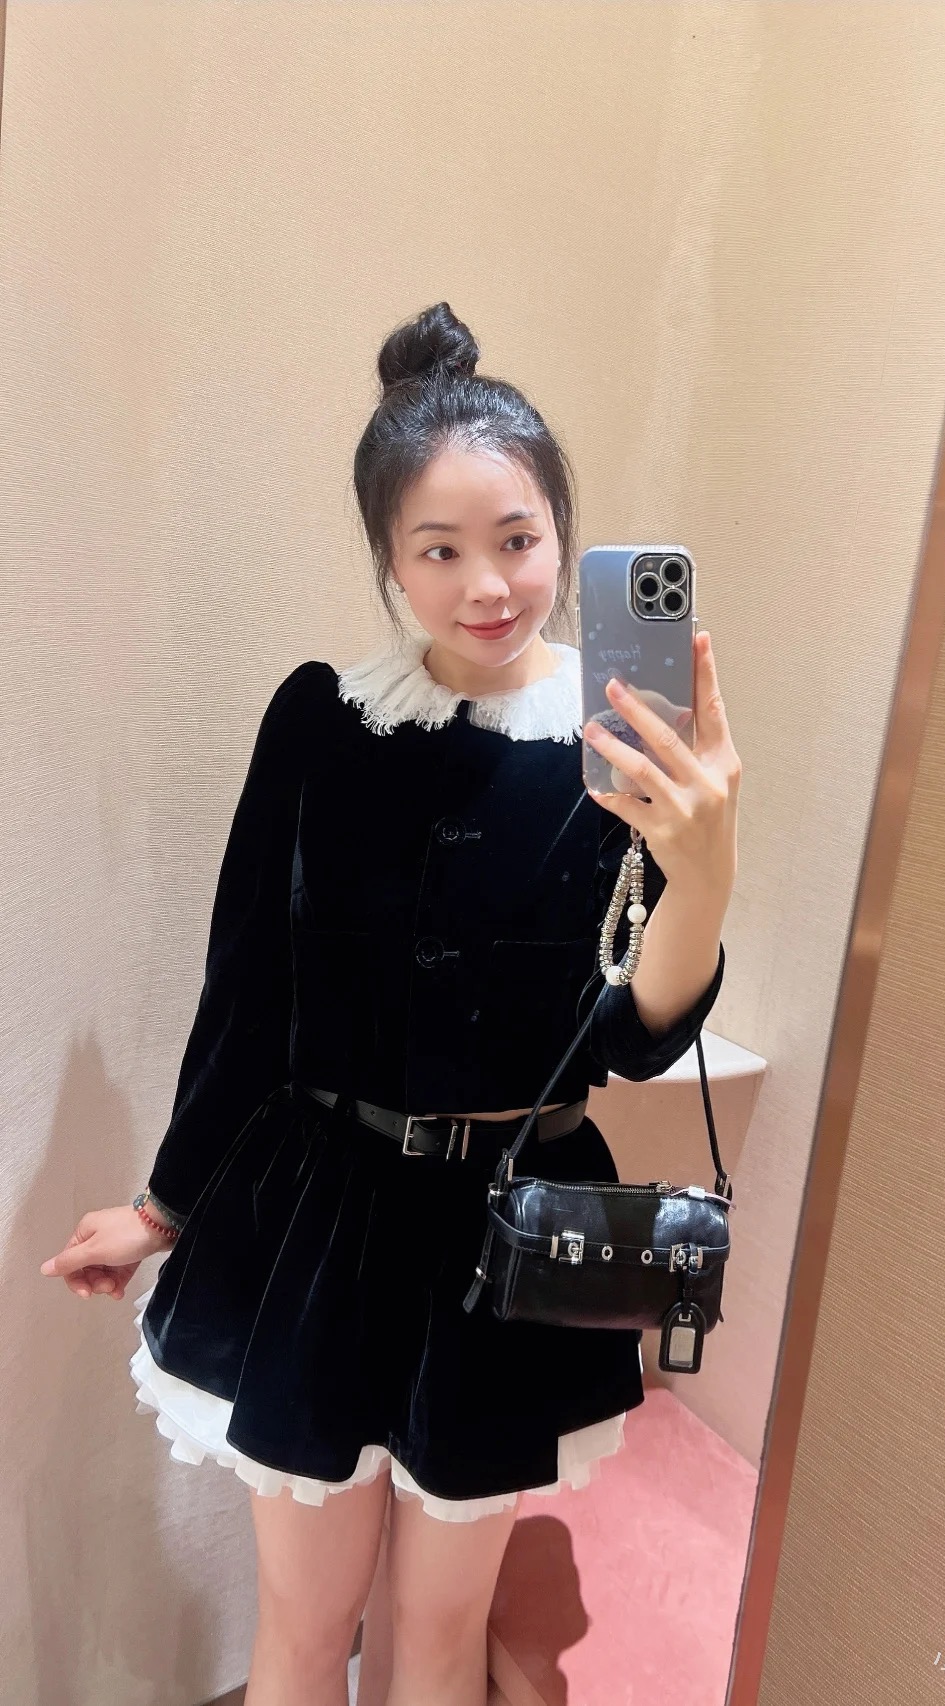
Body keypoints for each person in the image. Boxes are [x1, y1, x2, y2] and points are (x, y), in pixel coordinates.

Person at [39, 301, 741, 1706]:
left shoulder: (613, 747)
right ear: (389, 559)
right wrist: (164, 1208)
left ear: (563, 537)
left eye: (519, 539)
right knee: (304, 1632)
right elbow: (248, 994)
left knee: (437, 1636)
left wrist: (706, 864)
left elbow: (631, 1036)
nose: (489, 583)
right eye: (440, 549)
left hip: (515, 1229)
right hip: (324, 1220)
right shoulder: (322, 722)